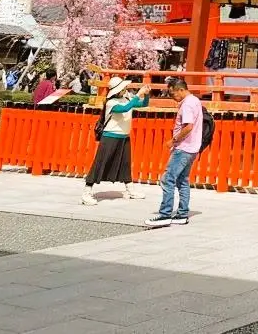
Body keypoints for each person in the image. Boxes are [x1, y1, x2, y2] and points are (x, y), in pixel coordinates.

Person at [82, 77, 150, 205]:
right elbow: (124, 109)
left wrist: (146, 95)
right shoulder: (111, 103)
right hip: (110, 136)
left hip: (124, 136)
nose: (125, 90)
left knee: (125, 164)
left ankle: (130, 189)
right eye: (123, 88)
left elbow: (143, 104)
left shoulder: (127, 98)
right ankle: (87, 191)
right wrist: (138, 94)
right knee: (100, 163)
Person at [148, 77, 202, 227]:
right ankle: (182, 214)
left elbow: (188, 126)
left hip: (183, 147)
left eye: (173, 93)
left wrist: (174, 140)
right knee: (182, 180)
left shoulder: (187, 105)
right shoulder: (195, 101)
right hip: (192, 147)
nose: (172, 97)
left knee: (168, 179)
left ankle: (165, 214)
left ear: (181, 89)